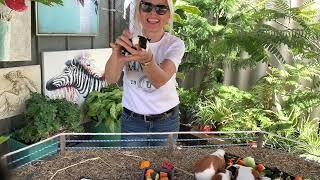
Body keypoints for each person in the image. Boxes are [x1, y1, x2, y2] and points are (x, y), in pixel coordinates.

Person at [104, 0, 185, 147]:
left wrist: (147, 60)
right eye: (147, 6)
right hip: (133, 121)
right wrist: (116, 53)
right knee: (131, 166)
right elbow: (110, 78)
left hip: (166, 122)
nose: (153, 13)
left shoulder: (175, 44)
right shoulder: (129, 42)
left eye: (161, 8)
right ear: (139, 12)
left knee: (162, 168)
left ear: (168, 16)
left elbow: (159, 81)